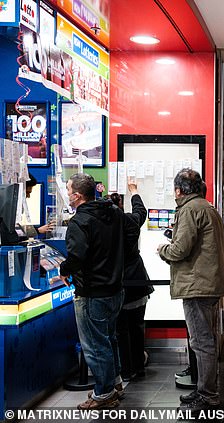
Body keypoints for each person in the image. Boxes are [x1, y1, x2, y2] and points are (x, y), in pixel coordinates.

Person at [158, 169, 224, 412]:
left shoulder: (189, 209)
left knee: (202, 342)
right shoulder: (208, 207)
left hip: (197, 285)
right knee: (204, 340)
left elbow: (180, 250)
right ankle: (203, 390)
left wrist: (162, 250)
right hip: (208, 283)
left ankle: (208, 396)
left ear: (179, 190)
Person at [56, 173, 126, 409]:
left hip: (93, 292)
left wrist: (63, 270)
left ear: (77, 196)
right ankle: (115, 384)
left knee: (96, 345)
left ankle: (104, 394)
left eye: (68, 191)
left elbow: (77, 256)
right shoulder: (114, 212)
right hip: (116, 288)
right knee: (109, 339)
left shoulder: (80, 222)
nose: (67, 194)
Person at [110, 182, 154, 381]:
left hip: (117, 282)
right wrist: (134, 191)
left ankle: (125, 370)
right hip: (137, 280)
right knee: (137, 326)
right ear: (121, 204)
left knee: (120, 329)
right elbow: (140, 211)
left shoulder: (104, 226)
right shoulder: (130, 221)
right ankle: (139, 367)